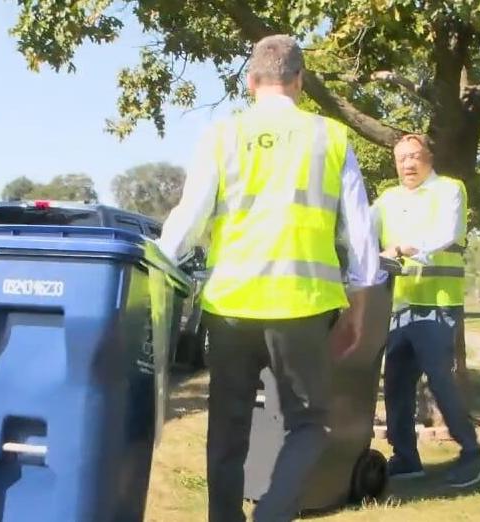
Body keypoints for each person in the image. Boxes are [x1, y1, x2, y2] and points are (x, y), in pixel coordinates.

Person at [158, 34, 380, 522]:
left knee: (228, 429)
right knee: (308, 424)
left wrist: (157, 262)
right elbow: (361, 233)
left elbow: (189, 216)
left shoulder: (222, 135)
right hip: (301, 307)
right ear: (299, 81)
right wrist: (360, 307)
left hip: (230, 305)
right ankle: (273, 513)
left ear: (252, 82)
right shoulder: (331, 137)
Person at [372, 134, 480, 488]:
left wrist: (411, 247)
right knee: (396, 384)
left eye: (414, 156)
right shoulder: (388, 199)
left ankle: (472, 454)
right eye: (401, 159)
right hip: (400, 304)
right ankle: (406, 458)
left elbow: (448, 231)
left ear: (429, 157)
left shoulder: (449, 189)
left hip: (437, 303)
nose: (407, 164)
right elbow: (361, 230)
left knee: (439, 379)